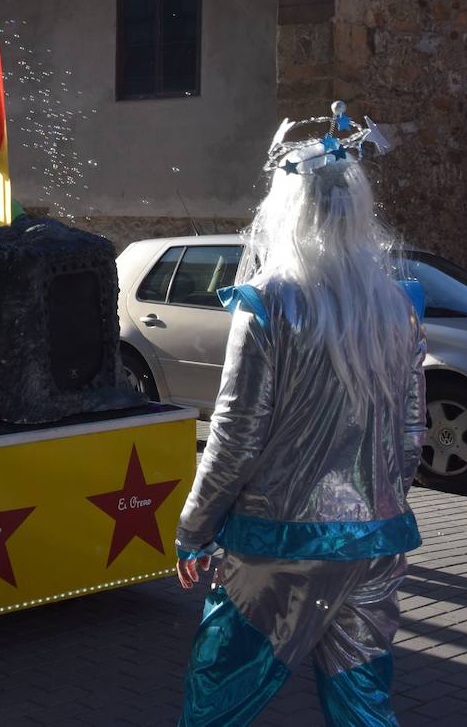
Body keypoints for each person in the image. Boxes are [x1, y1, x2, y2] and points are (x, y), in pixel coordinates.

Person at [173, 104, 424, 726]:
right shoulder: (394, 306)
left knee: (219, 689)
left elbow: (236, 435)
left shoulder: (269, 304)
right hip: (376, 537)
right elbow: (411, 434)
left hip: (278, 543)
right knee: (363, 698)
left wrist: (194, 528)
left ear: (288, 206)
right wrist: (384, 499)